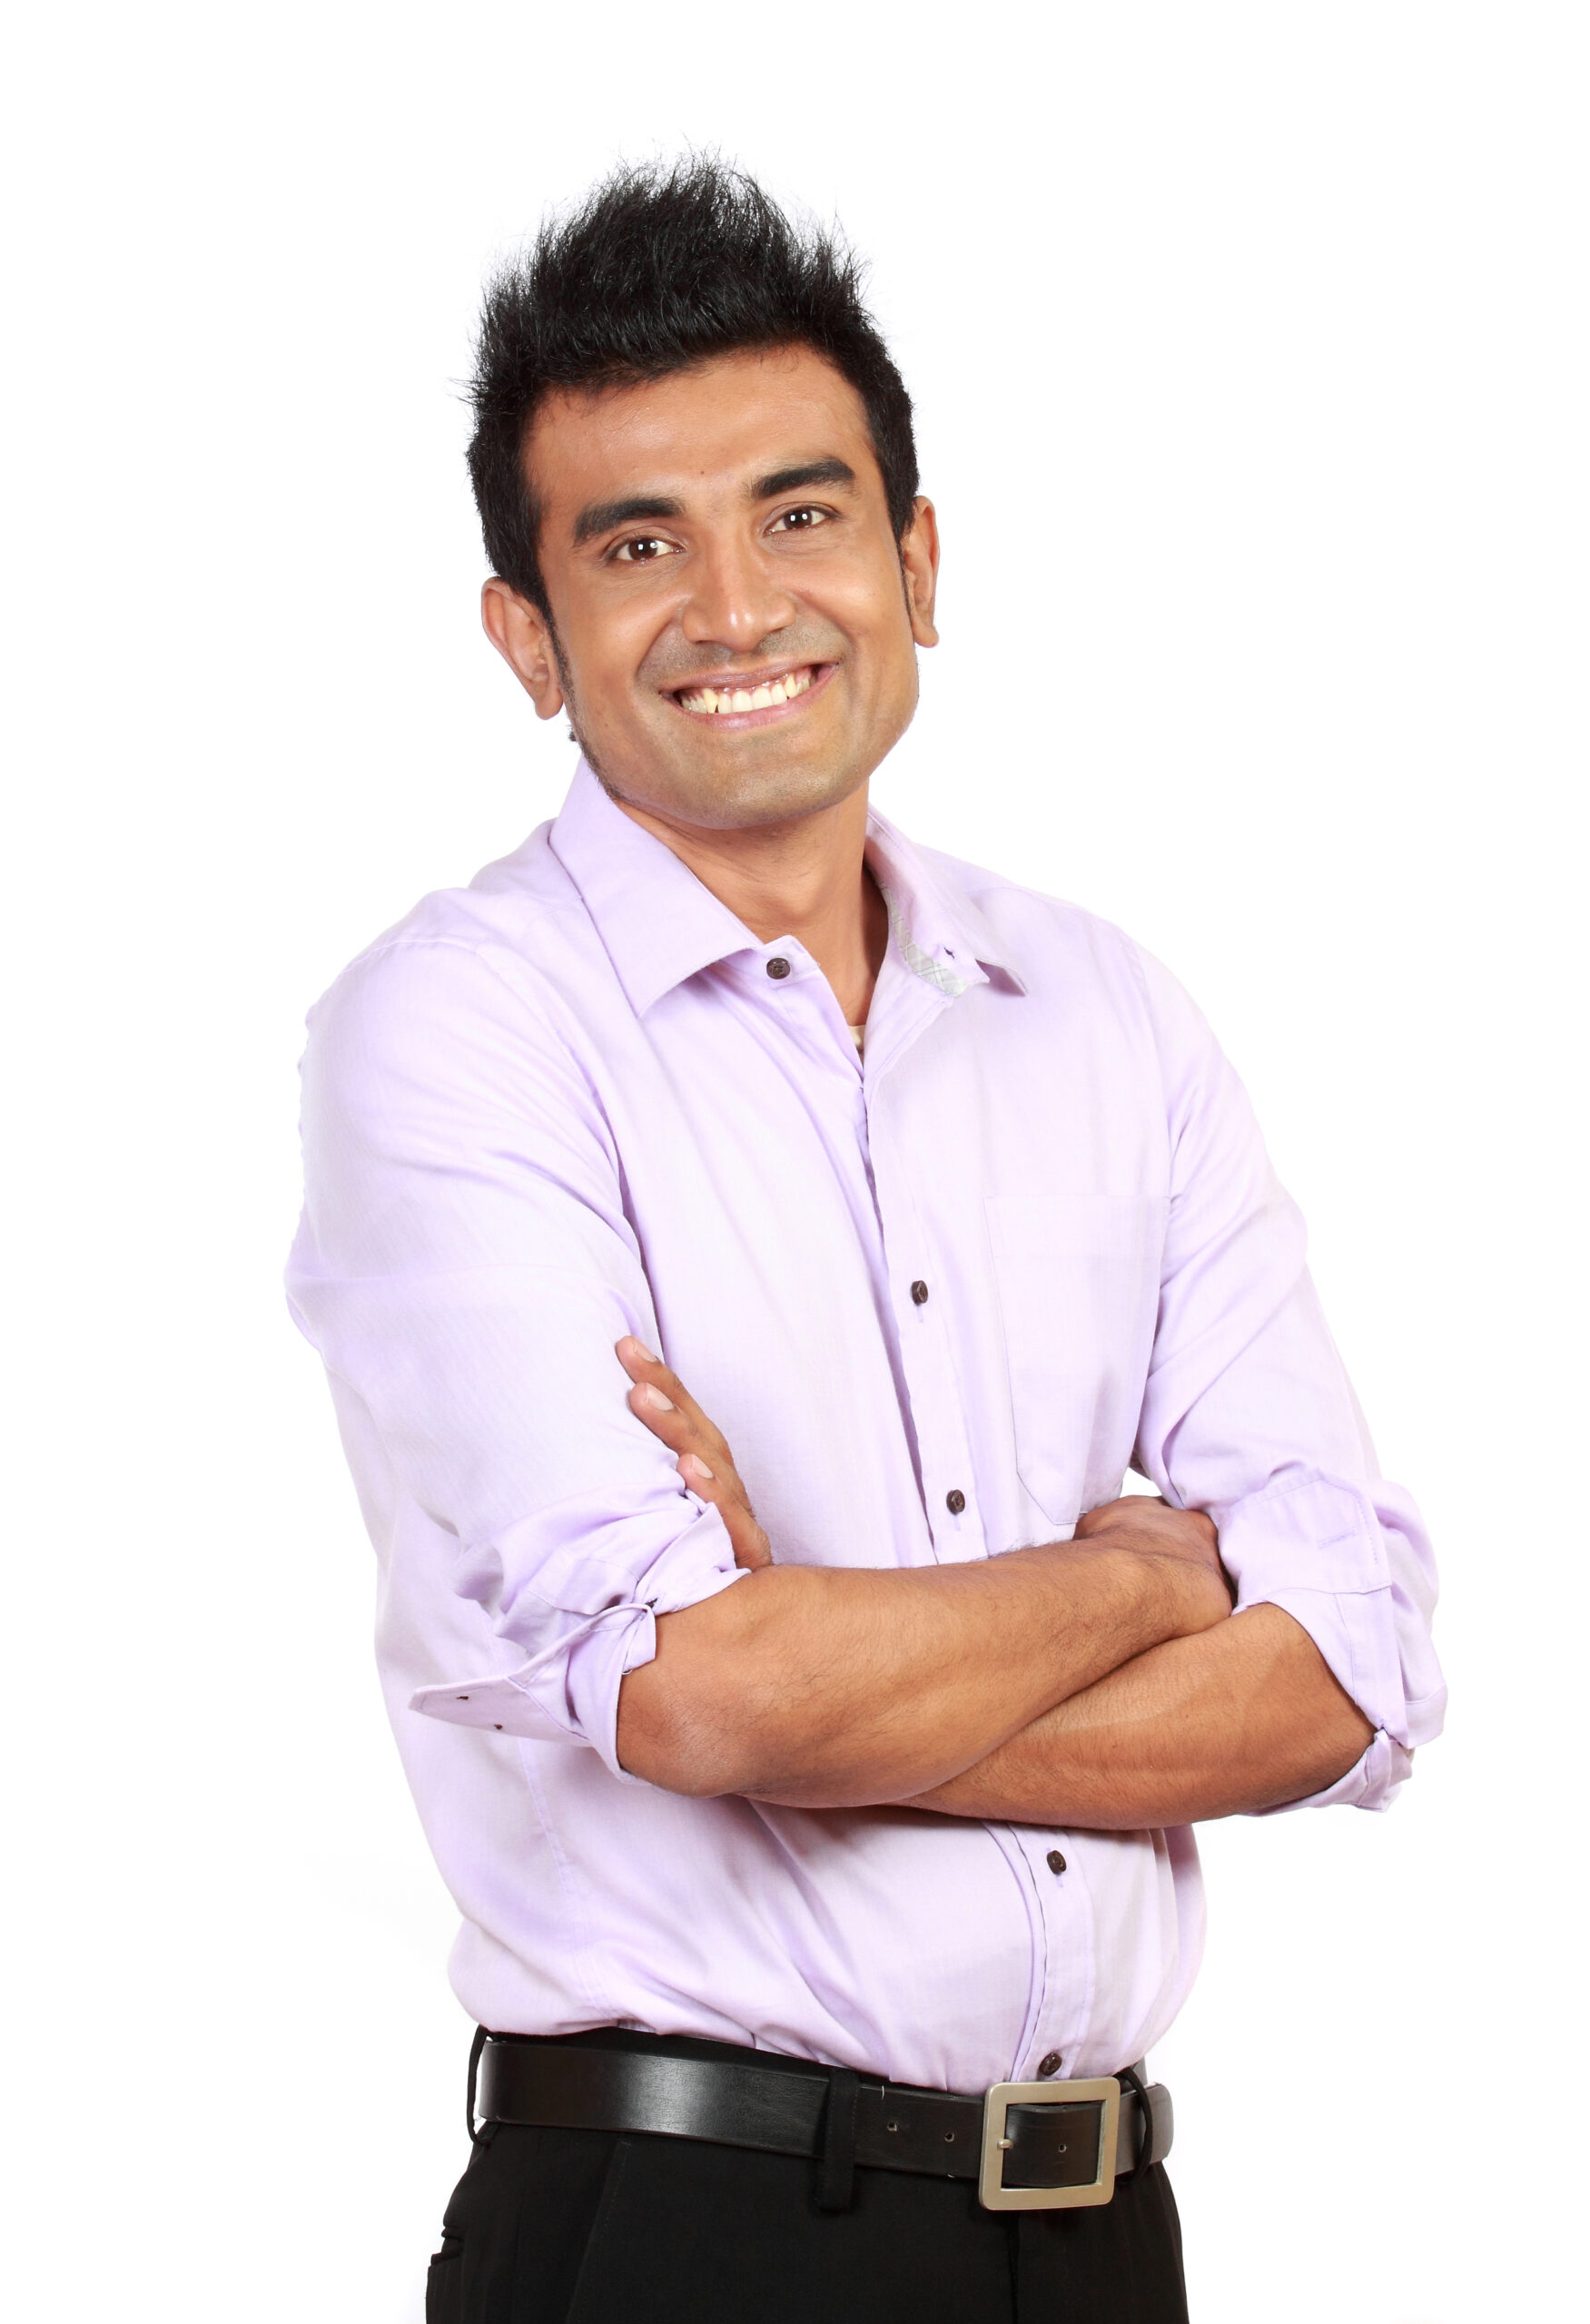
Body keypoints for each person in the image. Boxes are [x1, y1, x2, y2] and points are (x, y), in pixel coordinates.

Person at [287, 158, 1445, 2323]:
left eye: (801, 514)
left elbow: (1350, 1667)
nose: (738, 607)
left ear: (916, 560)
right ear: (524, 637)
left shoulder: (1104, 1011)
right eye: (637, 545)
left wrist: (825, 1655)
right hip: (680, 2238)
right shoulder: (456, 1033)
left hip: (1100, 2241)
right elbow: (690, 1685)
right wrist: (1141, 1572)